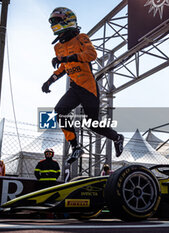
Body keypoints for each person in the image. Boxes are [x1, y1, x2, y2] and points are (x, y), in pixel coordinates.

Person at [42, 7, 124, 164]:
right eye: (53, 22)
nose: (53, 25)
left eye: (56, 21)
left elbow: (91, 55)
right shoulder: (58, 46)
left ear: (67, 21)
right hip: (75, 88)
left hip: (88, 87)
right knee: (60, 111)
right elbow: (63, 68)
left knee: (92, 124)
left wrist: (66, 58)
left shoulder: (81, 38)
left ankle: (117, 137)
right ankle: (76, 147)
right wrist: (49, 81)